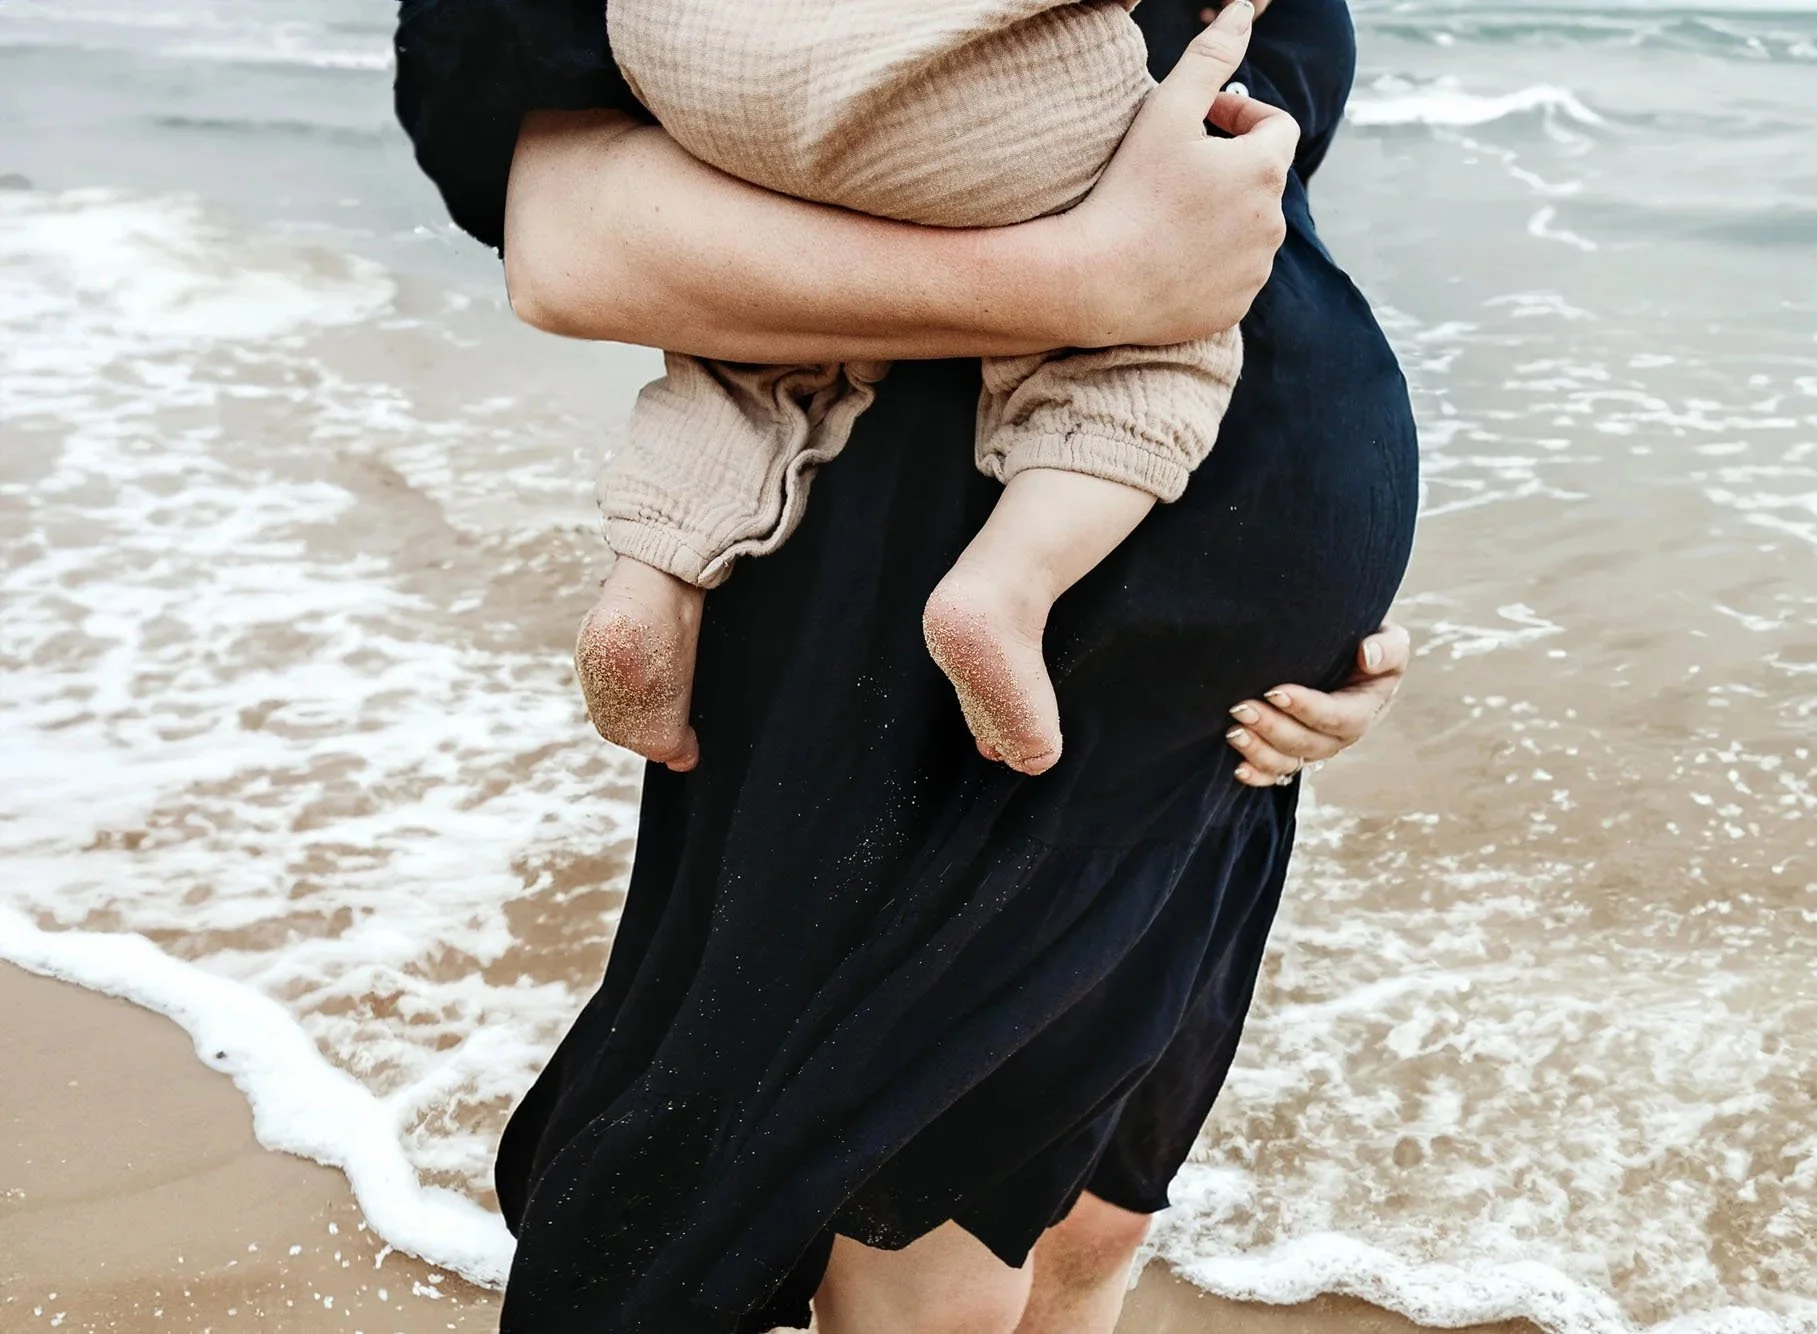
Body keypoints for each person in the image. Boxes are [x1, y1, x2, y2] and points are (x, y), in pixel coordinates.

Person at [392, 0, 1420, 1329]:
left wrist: (1313, 583)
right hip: (907, 599)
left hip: (1199, 667)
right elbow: (566, 241)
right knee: (927, 1254)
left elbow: (1250, 233)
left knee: (1096, 1219)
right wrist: (1090, 280)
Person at [581, 0, 1252, 778]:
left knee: (742, 345)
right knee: (1156, 318)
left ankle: (650, 580)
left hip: (698, 64)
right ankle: (1006, 587)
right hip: (941, 80)